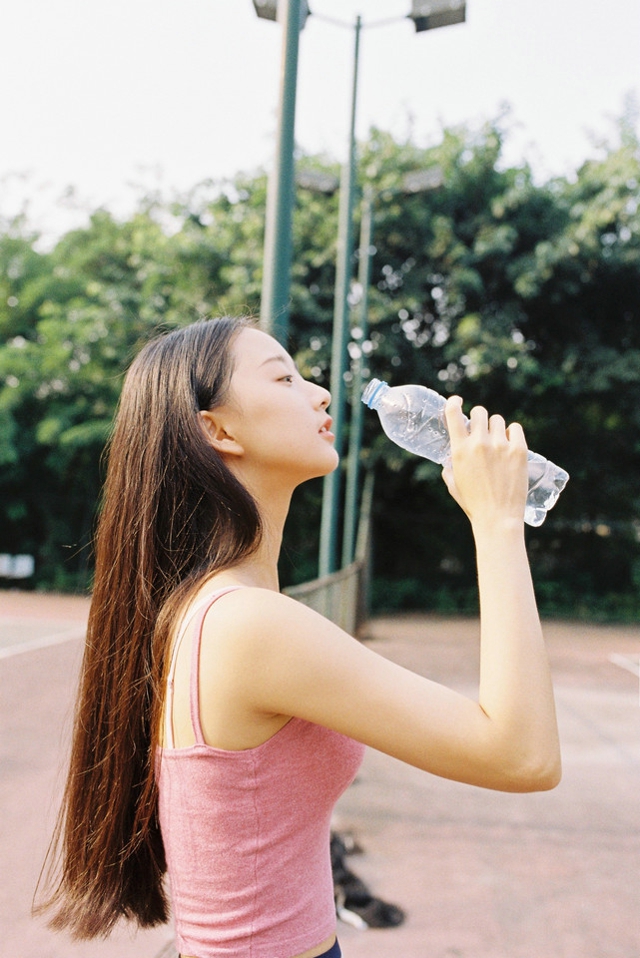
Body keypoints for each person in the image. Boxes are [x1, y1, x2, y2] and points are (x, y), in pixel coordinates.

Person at [36, 316, 561, 958]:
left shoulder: (217, 609)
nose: (319, 394)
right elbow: (522, 756)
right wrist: (499, 523)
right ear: (217, 431)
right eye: (284, 379)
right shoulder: (249, 625)